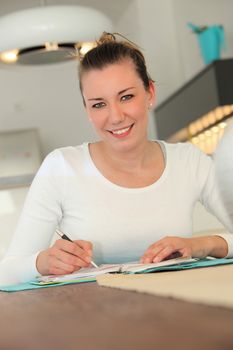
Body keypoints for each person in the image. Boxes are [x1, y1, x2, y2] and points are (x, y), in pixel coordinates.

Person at [0, 32, 233, 286]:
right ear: (87, 110)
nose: (115, 117)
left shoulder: (190, 161)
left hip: (177, 309)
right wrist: (43, 262)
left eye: (126, 97)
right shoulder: (62, 167)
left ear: (150, 93)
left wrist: (200, 245)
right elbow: (6, 272)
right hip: (95, 316)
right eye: (99, 104)